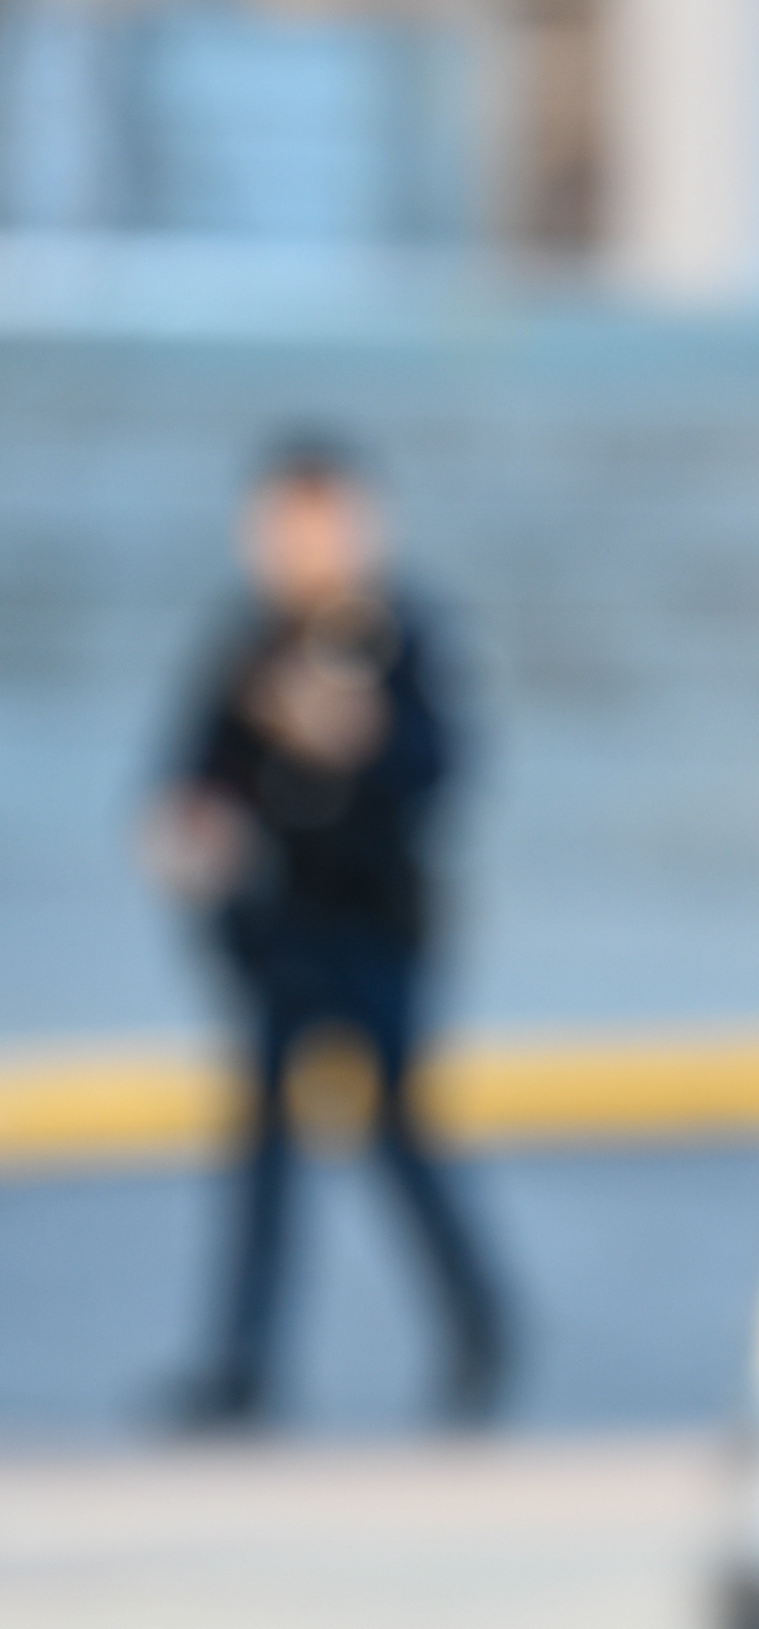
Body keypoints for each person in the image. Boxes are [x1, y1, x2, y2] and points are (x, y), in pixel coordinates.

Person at [152, 432, 505, 1428]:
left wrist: (359, 737)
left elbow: (441, 773)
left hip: (378, 931)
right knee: (263, 1152)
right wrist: (189, 825)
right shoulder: (248, 639)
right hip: (275, 937)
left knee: (396, 1133)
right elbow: (196, 770)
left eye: (318, 521)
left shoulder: (405, 632)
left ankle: (480, 1325)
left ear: (357, 524)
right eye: (282, 525)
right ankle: (242, 1369)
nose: (299, 545)